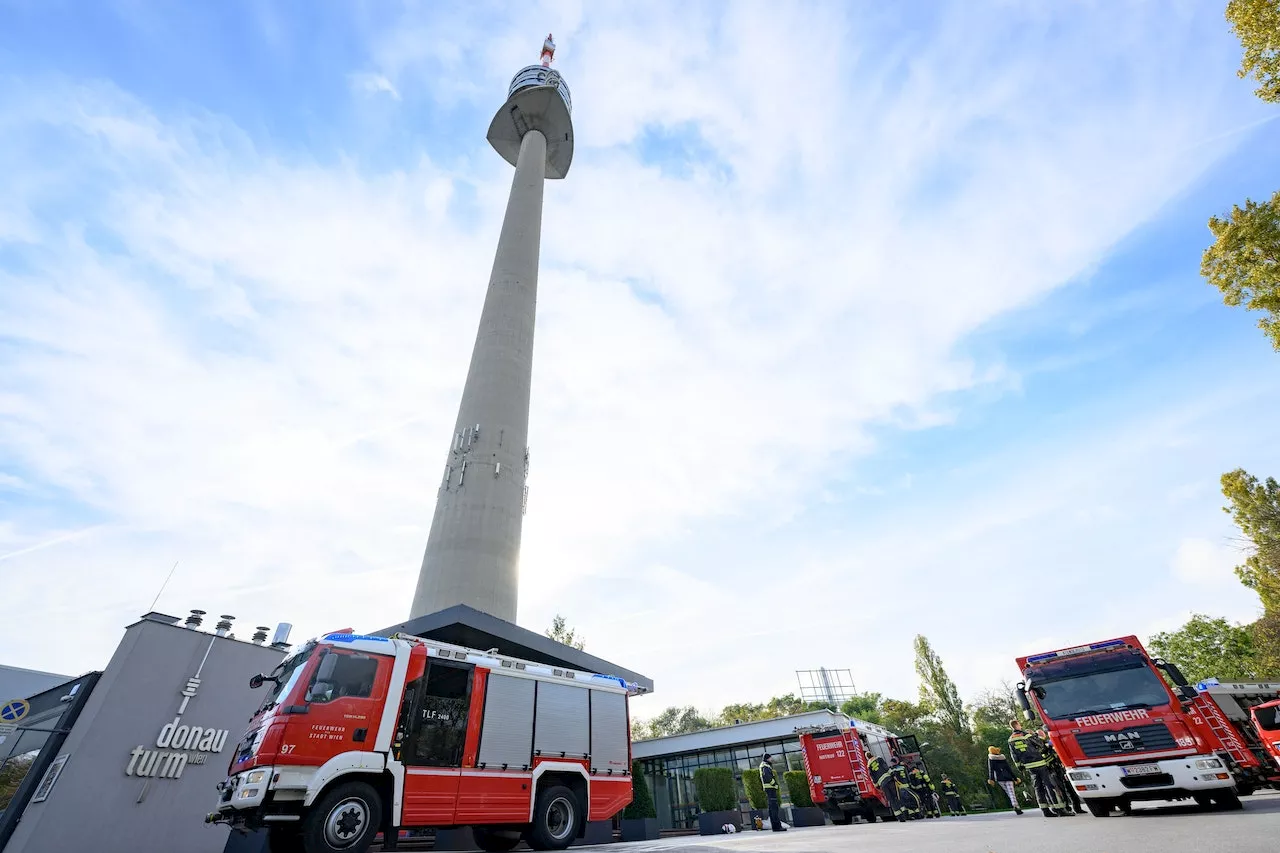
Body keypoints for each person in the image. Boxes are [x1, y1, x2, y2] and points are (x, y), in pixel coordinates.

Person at [1008, 720, 1068, 817]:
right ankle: (1059, 809)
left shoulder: (1010, 740)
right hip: (1039, 763)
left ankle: (1045, 810)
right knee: (1049, 786)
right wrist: (1039, 738)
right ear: (1017, 725)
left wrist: (1020, 766)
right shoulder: (1026, 735)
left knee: (1038, 787)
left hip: (1029, 766)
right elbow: (1040, 744)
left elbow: (1014, 755)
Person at [1039, 728, 1085, 815]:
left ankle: (1077, 808)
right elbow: (1046, 758)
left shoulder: (1050, 743)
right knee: (1061, 790)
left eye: (1042, 734)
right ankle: (1066, 808)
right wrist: (1049, 748)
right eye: (1040, 735)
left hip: (1061, 768)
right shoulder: (1042, 747)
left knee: (1070, 788)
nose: (1042, 736)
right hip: (1053, 770)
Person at [866, 750, 909, 822]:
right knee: (897, 796)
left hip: (883, 785)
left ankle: (899, 817)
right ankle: (905, 814)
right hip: (889, 780)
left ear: (867, 757)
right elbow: (885, 767)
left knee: (891, 799)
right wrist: (892, 774)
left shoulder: (869, 765)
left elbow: (872, 777)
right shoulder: (879, 758)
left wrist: (877, 785)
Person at [987, 745, 1023, 814]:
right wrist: (1015, 778)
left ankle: (1016, 806)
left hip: (999, 778)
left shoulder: (990, 758)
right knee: (1011, 792)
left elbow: (991, 769)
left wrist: (991, 779)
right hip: (1008, 777)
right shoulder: (1002, 757)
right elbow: (1008, 768)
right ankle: (1016, 806)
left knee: (1008, 792)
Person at [759, 753, 786, 832]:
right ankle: (777, 827)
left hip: (769, 789)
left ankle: (776, 827)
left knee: (772, 809)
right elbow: (767, 777)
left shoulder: (764, 765)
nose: (771, 759)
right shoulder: (765, 766)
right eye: (770, 758)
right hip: (770, 789)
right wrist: (774, 784)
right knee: (774, 809)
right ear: (767, 758)